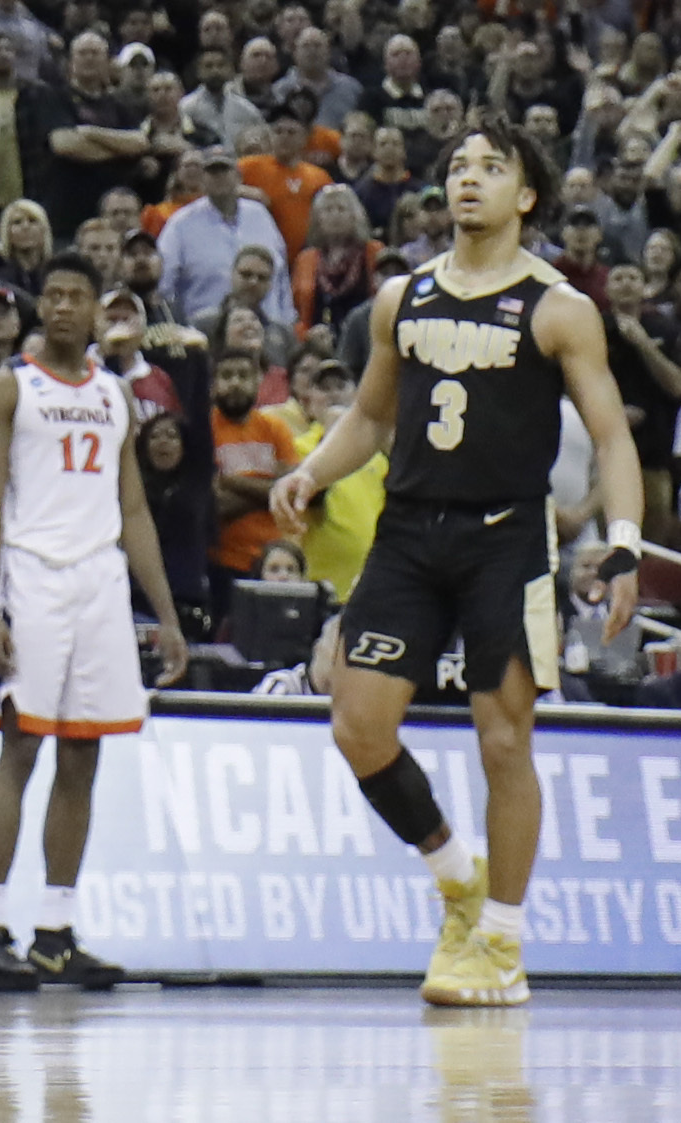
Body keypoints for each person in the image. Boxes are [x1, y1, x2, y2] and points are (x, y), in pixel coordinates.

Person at [270, 124, 649, 1011]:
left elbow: (609, 435)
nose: (467, 179)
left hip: (504, 539)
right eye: (455, 167)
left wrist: (623, 539)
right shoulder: (398, 297)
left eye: (489, 168)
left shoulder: (559, 307)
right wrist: (309, 469)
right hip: (406, 532)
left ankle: (504, 943)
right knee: (358, 726)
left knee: (504, 739)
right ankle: (455, 880)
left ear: (525, 197)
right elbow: (368, 418)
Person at [0, 253, 190, 992]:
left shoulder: (117, 393)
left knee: (84, 757)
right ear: (38, 307)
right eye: (50, 294)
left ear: (98, 310)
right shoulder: (5, 388)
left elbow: (132, 510)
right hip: (31, 577)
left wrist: (165, 614)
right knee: (20, 751)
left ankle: (55, 929)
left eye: (75, 296)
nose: (61, 306)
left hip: (99, 584)